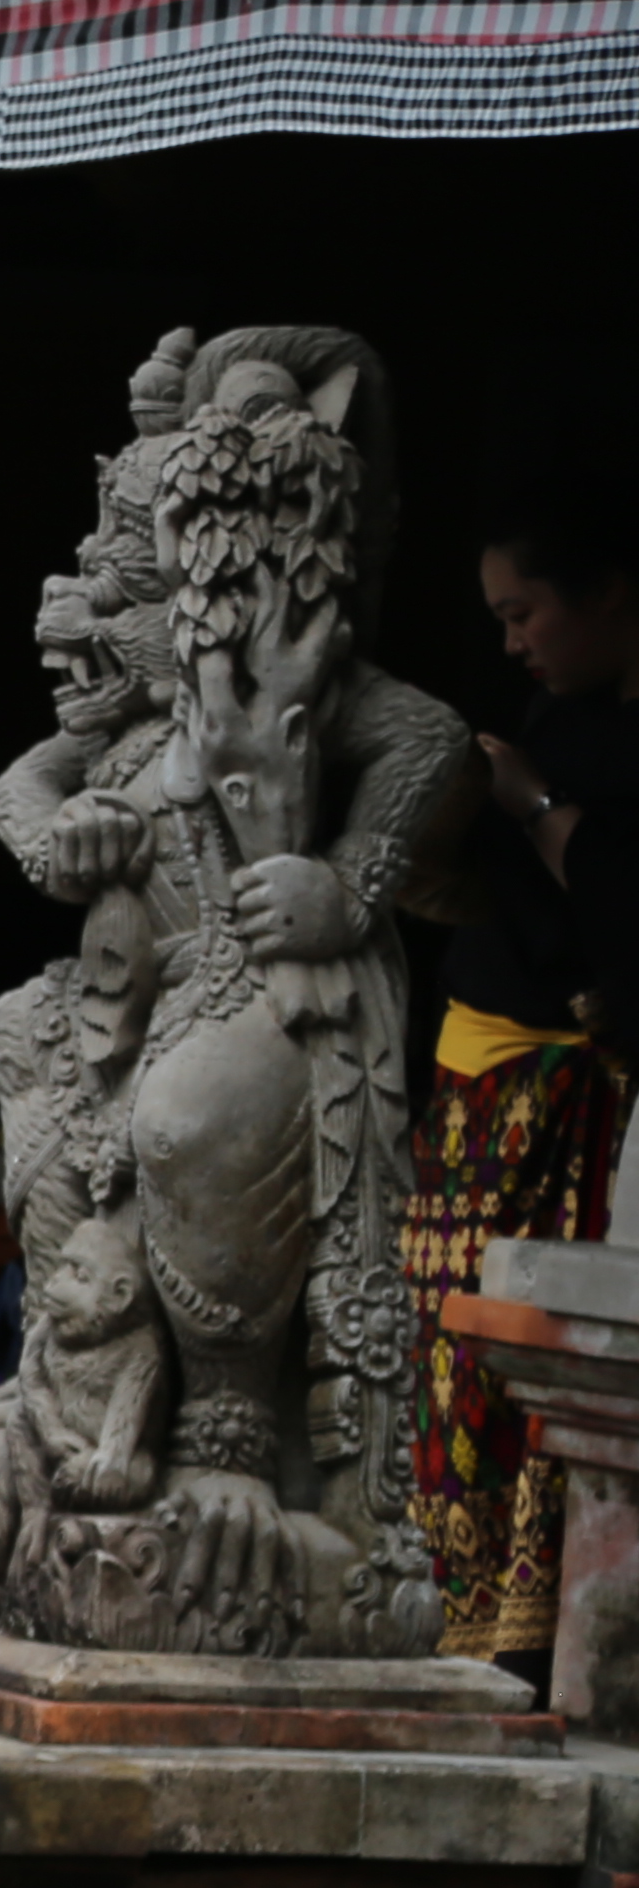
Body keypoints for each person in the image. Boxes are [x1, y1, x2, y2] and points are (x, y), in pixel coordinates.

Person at [409, 476, 636, 1673]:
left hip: (555, 1098)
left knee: (516, 1358)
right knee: (442, 1355)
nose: (512, 642)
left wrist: (532, 803)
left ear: (607, 595)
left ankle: (520, 1630)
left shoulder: (588, 754)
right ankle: (453, 1604)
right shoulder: (547, 727)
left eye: (526, 612)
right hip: (477, 1088)